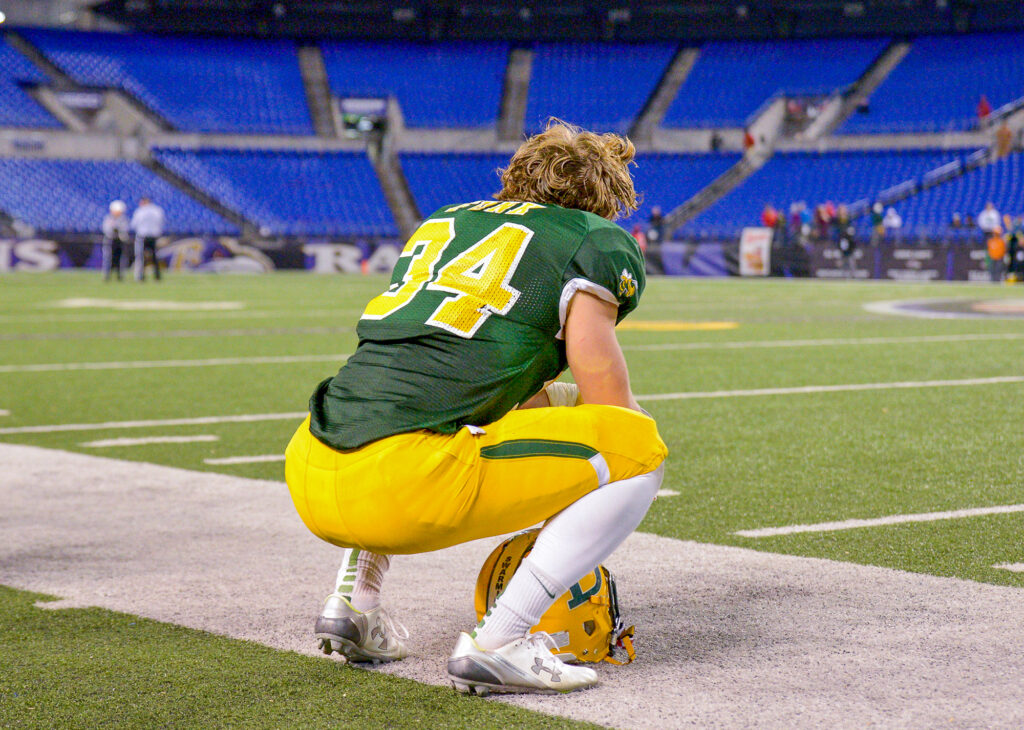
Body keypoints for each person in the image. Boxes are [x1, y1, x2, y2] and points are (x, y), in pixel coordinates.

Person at [284, 120, 668, 695]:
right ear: (602, 198)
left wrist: (551, 402)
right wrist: (582, 408)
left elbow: (466, 384)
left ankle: (353, 602)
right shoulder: (590, 241)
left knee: (423, 410)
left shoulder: (447, 221)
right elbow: (612, 407)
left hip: (313, 464)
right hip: (405, 487)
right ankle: (503, 641)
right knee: (640, 448)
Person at [130, 196, 166, 281]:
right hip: (154, 236)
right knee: (155, 257)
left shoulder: (140, 211)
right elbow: (161, 222)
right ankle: (157, 276)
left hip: (143, 236)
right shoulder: (157, 210)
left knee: (140, 257)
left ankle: (140, 276)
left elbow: (134, 224)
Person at [101, 200, 129, 282]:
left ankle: (120, 275)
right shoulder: (108, 218)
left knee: (121, 258)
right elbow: (106, 229)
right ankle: (107, 274)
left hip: (120, 241)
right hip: (110, 240)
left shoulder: (124, 219)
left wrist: (119, 231)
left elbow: (125, 230)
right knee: (108, 258)